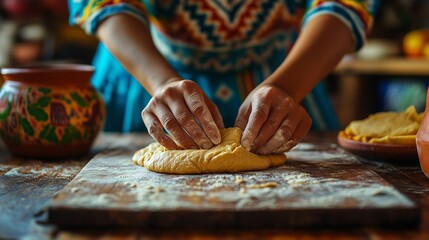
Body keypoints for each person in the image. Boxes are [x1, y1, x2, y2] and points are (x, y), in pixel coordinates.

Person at [69, 0, 378, 154]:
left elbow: (345, 5)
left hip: (288, 76)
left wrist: (284, 85)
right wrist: (161, 82)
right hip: (144, 71)